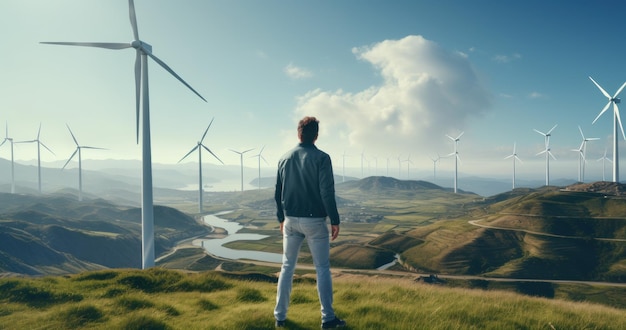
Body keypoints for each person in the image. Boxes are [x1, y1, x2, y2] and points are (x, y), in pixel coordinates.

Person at [273, 116, 346, 329]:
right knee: (322, 268)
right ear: (316, 135)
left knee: (287, 267)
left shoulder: (284, 158)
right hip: (315, 221)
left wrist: (281, 218)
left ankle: (280, 316)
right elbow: (326, 192)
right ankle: (328, 318)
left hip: (290, 220)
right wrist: (335, 219)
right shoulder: (322, 158)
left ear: (298, 133)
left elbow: (277, 193)